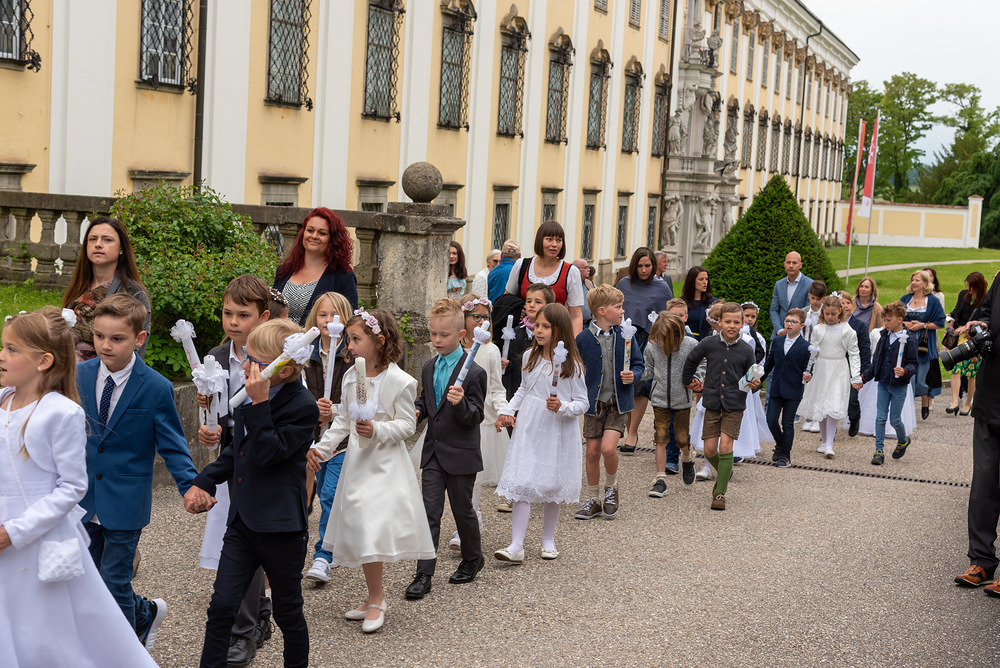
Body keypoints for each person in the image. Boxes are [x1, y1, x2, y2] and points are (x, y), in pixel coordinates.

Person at [0, 308, 159, 667]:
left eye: (12, 349)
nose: (2, 355)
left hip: (36, 537)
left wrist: (14, 531)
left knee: (44, 629)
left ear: (43, 361)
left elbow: (71, 486)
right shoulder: (2, 400)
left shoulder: (60, 412)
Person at [186, 319, 319, 666]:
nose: (245, 366)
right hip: (243, 523)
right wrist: (205, 480)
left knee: (288, 612)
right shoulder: (251, 396)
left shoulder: (302, 406)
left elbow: (268, 453)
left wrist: (260, 405)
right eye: (246, 356)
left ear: (283, 369)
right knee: (221, 607)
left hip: (281, 526)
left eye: (255, 361)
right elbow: (238, 451)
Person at [77, 294, 198, 648]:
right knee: (89, 580)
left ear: (139, 338)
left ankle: (125, 653)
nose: (105, 345)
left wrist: (190, 485)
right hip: (83, 497)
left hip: (126, 501)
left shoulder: (156, 387)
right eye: (99, 336)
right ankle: (144, 613)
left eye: (117, 338)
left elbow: (173, 444)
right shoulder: (78, 375)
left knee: (114, 580)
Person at [307, 309, 435, 632]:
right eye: (348, 339)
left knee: (372, 526)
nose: (348, 346)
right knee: (363, 526)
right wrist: (321, 449)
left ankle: (377, 599)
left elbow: (407, 425)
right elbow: (343, 422)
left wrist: (377, 429)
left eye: (355, 339)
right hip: (357, 463)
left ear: (379, 341)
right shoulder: (352, 377)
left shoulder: (400, 382)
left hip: (384, 465)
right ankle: (372, 596)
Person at [195, 275, 274, 666]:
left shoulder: (272, 358)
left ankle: (243, 631)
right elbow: (215, 415)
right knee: (238, 541)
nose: (233, 322)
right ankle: (258, 615)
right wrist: (208, 430)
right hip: (231, 461)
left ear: (262, 318)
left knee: (247, 541)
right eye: (228, 313)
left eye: (243, 315)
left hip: (263, 460)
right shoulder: (214, 355)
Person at [405, 298, 488, 599]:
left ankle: (472, 557)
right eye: (433, 334)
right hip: (433, 452)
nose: (437, 340)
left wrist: (461, 403)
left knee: (462, 510)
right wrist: (417, 411)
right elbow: (426, 400)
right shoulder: (429, 367)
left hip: (461, 453)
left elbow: (476, 415)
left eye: (444, 335)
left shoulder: (474, 372)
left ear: (461, 335)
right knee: (429, 512)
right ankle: (423, 573)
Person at [495, 304, 588, 561]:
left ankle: (548, 539)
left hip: (557, 429)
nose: (539, 330)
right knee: (522, 481)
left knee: (552, 483)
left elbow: (583, 403)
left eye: (546, 326)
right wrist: (508, 410)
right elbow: (523, 389)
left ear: (560, 330)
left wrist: (563, 406)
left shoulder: (572, 366)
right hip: (529, 425)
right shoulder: (529, 356)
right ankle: (516, 545)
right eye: (537, 325)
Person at [442, 294, 510, 548]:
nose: (482, 322)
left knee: (474, 476)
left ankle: (467, 523)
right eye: (476, 317)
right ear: (463, 319)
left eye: (486, 317)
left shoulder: (491, 351)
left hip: (480, 420)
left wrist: (503, 411)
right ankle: (466, 516)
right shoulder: (453, 348)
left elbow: (496, 387)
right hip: (453, 417)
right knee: (452, 476)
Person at [681, 302, 760, 510]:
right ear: (720, 322)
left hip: (735, 405)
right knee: (709, 450)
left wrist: (755, 384)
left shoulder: (746, 350)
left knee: (726, 446)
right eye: (727, 322)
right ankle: (725, 470)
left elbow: (751, 375)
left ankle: (720, 492)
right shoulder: (709, 343)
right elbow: (691, 360)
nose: (732, 326)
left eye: (736, 322)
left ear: (742, 324)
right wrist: (688, 381)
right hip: (712, 403)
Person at [574, 285, 643, 520]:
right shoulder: (583, 339)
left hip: (617, 403)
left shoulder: (626, 335)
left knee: (608, 448)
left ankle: (611, 489)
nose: (623, 311)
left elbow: (639, 364)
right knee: (592, 453)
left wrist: (634, 375)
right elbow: (574, 369)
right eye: (618, 307)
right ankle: (593, 498)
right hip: (593, 404)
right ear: (602, 311)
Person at [302, 292, 354, 585]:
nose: (328, 320)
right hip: (311, 440)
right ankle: (333, 537)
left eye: (335, 315)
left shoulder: (351, 355)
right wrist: (312, 411)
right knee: (318, 493)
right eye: (323, 314)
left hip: (340, 441)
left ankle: (323, 554)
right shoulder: (304, 353)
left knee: (331, 494)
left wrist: (331, 411)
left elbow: (360, 400)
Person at [955, 275, 1000, 597]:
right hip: (990, 397)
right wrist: (979, 326)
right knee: (983, 484)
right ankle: (981, 561)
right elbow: (986, 313)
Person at [61, 216, 151, 361]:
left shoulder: (133, 293)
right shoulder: (79, 287)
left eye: (107, 240)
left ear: (121, 248)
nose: (98, 244)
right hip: (66, 366)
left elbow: (136, 352)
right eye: (92, 239)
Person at [616, 248, 672, 453]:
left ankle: (632, 432)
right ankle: (626, 426)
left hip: (648, 340)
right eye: (639, 266)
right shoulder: (624, 284)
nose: (644, 270)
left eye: (647, 265)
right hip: (624, 338)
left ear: (654, 265)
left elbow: (667, 317)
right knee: (624, 382)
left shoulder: (662, 287)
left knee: (641, 386)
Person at [797, 296, 863, 459]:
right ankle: (824, 440)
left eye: (833, 314)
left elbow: (854, 354)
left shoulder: (848, 331)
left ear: (840, 311)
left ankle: (829, 444)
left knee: (833, 405)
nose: (830, 317)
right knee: (822, 404)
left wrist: (856, 376)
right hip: (822, 368)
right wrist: (807, 369)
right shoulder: (819, 329)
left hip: (839, 369)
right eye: (827, 314)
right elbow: (812, 352)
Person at [643, 312, 698, 495]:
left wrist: (697, 378)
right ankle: (660, 479)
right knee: (661, 438)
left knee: (681, 438)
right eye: (659, 338)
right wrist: (634, 375)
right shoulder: (652, 346)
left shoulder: (691, 345)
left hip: (682, 400)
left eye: (665, 339)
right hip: (659, 400)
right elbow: (648, 369)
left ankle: (687, 459)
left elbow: (702, 362)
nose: (662, 342)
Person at [273, 207, 359, 325]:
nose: (314, 236)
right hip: (278, 336)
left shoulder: (343, 277)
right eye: (310, 230)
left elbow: (350, 321)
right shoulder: (284, 271)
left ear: (333, 239)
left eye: (322, 233)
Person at [860, 302, 918, 465]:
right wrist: (863, 379)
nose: (885, 323)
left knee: (894, 420)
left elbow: (914, 364)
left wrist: (905, 371)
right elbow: (876, 362)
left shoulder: (910, 339)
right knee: (880, 417)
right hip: (883, 383)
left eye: (889, 320)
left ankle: (903, 440)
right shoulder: (884, 337)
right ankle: (879, 451)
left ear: (900, 319)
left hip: (899, 386)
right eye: (884, 320)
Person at [504, 220, 586, 336]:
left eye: (559, 240)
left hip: (555, 336)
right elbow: (507, 300)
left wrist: (574, 342)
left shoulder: (570, 272)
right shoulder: (521, 266)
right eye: (549, 239)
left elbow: (575, 315)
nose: (554, 244)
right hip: (522, 334)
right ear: (540, 240)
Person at [763, 308, 811, 467]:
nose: (789, 324)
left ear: (802, 325)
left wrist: (808, 375)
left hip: (793, 389)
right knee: (770, 419)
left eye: (794, 322)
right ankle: (780, 443)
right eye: (787, 321)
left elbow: (808, 368)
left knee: (787, 423)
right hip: (776, 387)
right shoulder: (777, 342)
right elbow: (769, 364)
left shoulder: (806, 347)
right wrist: (758, 381)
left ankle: (785, 455)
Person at [900, 270, 946, 420]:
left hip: (924, 344)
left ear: (925, 284)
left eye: (917, 280)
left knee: (921, 378)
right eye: (912, 280)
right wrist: (906, 324)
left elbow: (940, 323)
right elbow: (896, 317)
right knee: (908, 377)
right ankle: (908, 410)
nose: (913, 282)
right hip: (907, 342)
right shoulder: (905, 299)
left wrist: (923, 325)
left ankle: (925, 398)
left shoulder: (932, 301)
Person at [500, 283, 555, 402]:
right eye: (528, 301)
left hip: (541, 397)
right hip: (516, 394)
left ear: (548, 306)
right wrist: (505, 365)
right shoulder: (514, 332)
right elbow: (511, 364)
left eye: (538, 302)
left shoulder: (551, 335)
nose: (532, 305)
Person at [946, 272, 987, 416]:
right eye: (968, 285)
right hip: (959, 338)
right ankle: (954, 402)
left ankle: (968, 403)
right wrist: (950, 317)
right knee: (956, 368)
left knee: (972, 373)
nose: (969, 289)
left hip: (974, 339)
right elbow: (956, 311)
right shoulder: (963, 295)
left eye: (971, 286)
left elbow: (984, 319)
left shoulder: (985, 299)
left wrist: (967, 328)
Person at [839, 292, 872, 438]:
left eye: (848, 303)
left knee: (852, 398)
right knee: (835, 397)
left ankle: (854, 417)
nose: (845, 306)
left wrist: (863, 371)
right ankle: (830, 429)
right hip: (837, 367)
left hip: (853, 368)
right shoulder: (833, 324)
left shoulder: (860, 325)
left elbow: (865, 349)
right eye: (842, 303)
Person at [768, 251, 813, 339]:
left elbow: (808, 311)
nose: (791, 266)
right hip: (779, 335)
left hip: (799, 336)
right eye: (788, 262)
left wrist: (790, 329)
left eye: (794, 263)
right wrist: (779, 330)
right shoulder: (779, 284)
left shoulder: (810, 284)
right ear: (784, 264)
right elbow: (774, 310)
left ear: (800, 265)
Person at [681, 265, 717, 340]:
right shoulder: (681, 302)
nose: (705, 282)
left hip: (706, 342)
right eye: (701, 279)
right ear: (692, 281)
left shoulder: (713, 303)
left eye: (706, 279)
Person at [488, 239, 520, 304]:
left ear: (501, 254)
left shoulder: (492, 271)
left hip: (494, 308)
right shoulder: (517, 271)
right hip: (508, 308)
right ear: (519, 255)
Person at [573, 258, 594, 326]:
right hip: (574, 324)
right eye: (586, 268)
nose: (589, 270)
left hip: (589, 323)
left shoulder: (589, 283)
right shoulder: (570, 283)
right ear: (577, 269)